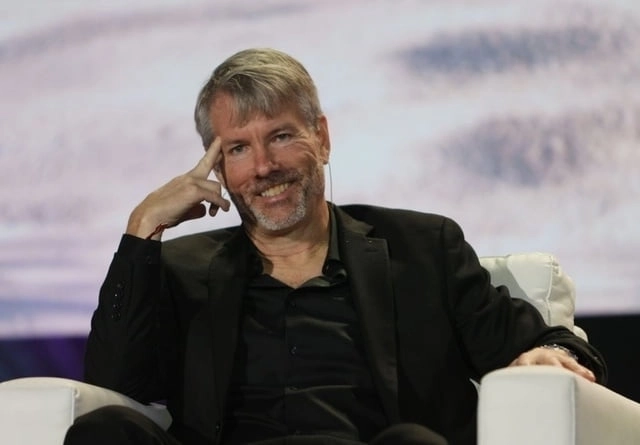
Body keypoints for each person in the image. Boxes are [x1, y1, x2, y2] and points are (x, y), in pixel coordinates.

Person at [64, 48, 606, 445]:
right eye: (238, 149)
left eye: (281, 136)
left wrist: (554, 356)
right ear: (219, 167)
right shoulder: (183, 270)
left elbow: (548, 341)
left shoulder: (422, 249)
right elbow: (114, 381)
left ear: (321, 138)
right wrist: (141, 230)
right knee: (104, 429)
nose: (264, 167)